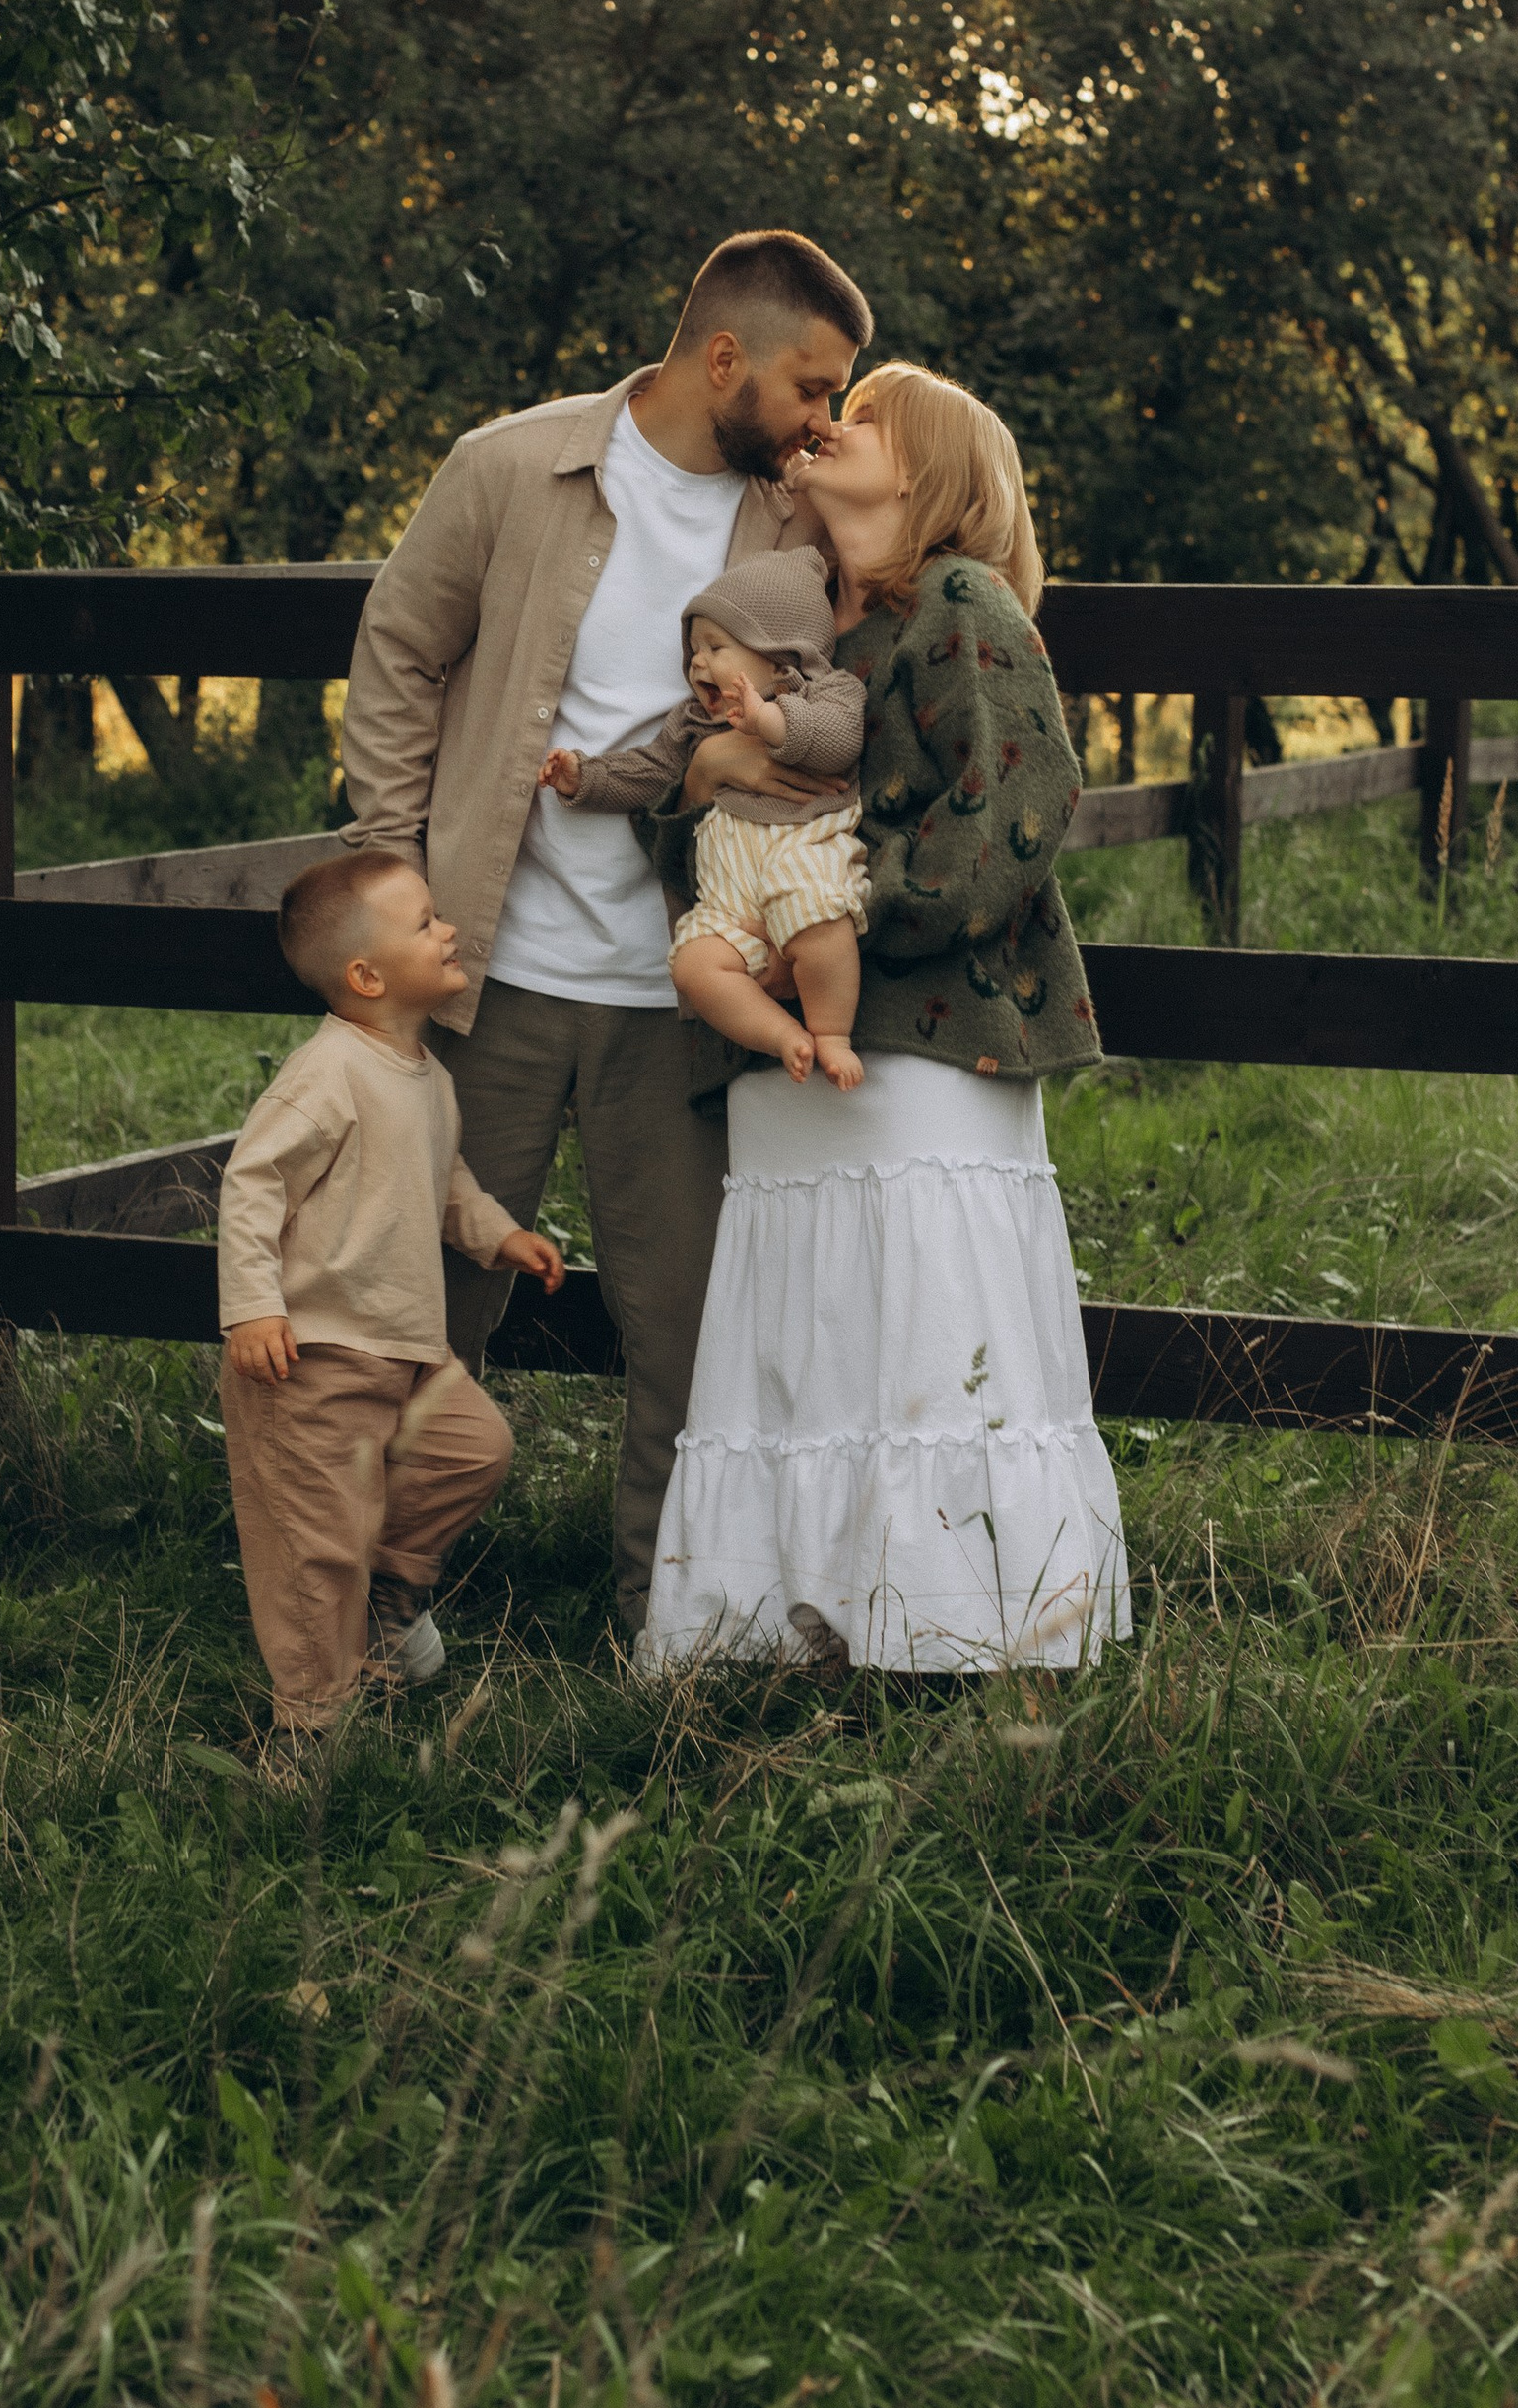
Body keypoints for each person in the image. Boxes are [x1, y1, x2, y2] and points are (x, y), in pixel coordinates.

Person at [339, 228, 874, 1635]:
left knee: (691, 1333)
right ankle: (381, 1609)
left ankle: (673, 1626)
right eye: (812, 388)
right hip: (490, 978)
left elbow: (890, 633)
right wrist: (390, 874)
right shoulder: (510, 468)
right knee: (425, 1307)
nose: (825, 420)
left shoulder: (799, 523)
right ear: (723, 359)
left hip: (692, 996)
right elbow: (399, 650)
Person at [640, 363, 1133, 1680]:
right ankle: (797, 1623)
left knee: (924, 1313)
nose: (830, 424)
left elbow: (1017, 802)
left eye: (865, 418)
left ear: (928, 472)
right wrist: (704, 799)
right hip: (782, 1041)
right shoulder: (794, 630)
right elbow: (708, 818)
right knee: (812, 1326)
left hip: (930, 1033)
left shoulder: (960, 603)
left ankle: (956, 1625)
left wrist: (842, 928)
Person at [216, 848, 565, 1754]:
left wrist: (499, 1236)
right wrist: (252, 1307)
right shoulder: (327, 1072)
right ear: (367, 976)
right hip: (312, 1353)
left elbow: (444, 1182)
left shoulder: (428, 1077)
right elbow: (253, 1184)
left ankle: (385, 1601)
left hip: (406, 1346)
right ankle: (309, 1728)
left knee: (475, 1449)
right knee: (315, 1541)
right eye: (425, 923)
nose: (448, 930)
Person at [538, 543, 870, 1089]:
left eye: (716, 646)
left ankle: (832, 1032)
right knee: (693, 964)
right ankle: (782, 1034)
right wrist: (586, 777)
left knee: (820, 925)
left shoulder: (826, 692)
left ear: (780, 658)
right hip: (728, 893)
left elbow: (838, 742)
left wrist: (769, 722)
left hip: (803, 858)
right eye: (693, 650)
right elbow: (652, 770)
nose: (697, 662)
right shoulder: (694, 722)